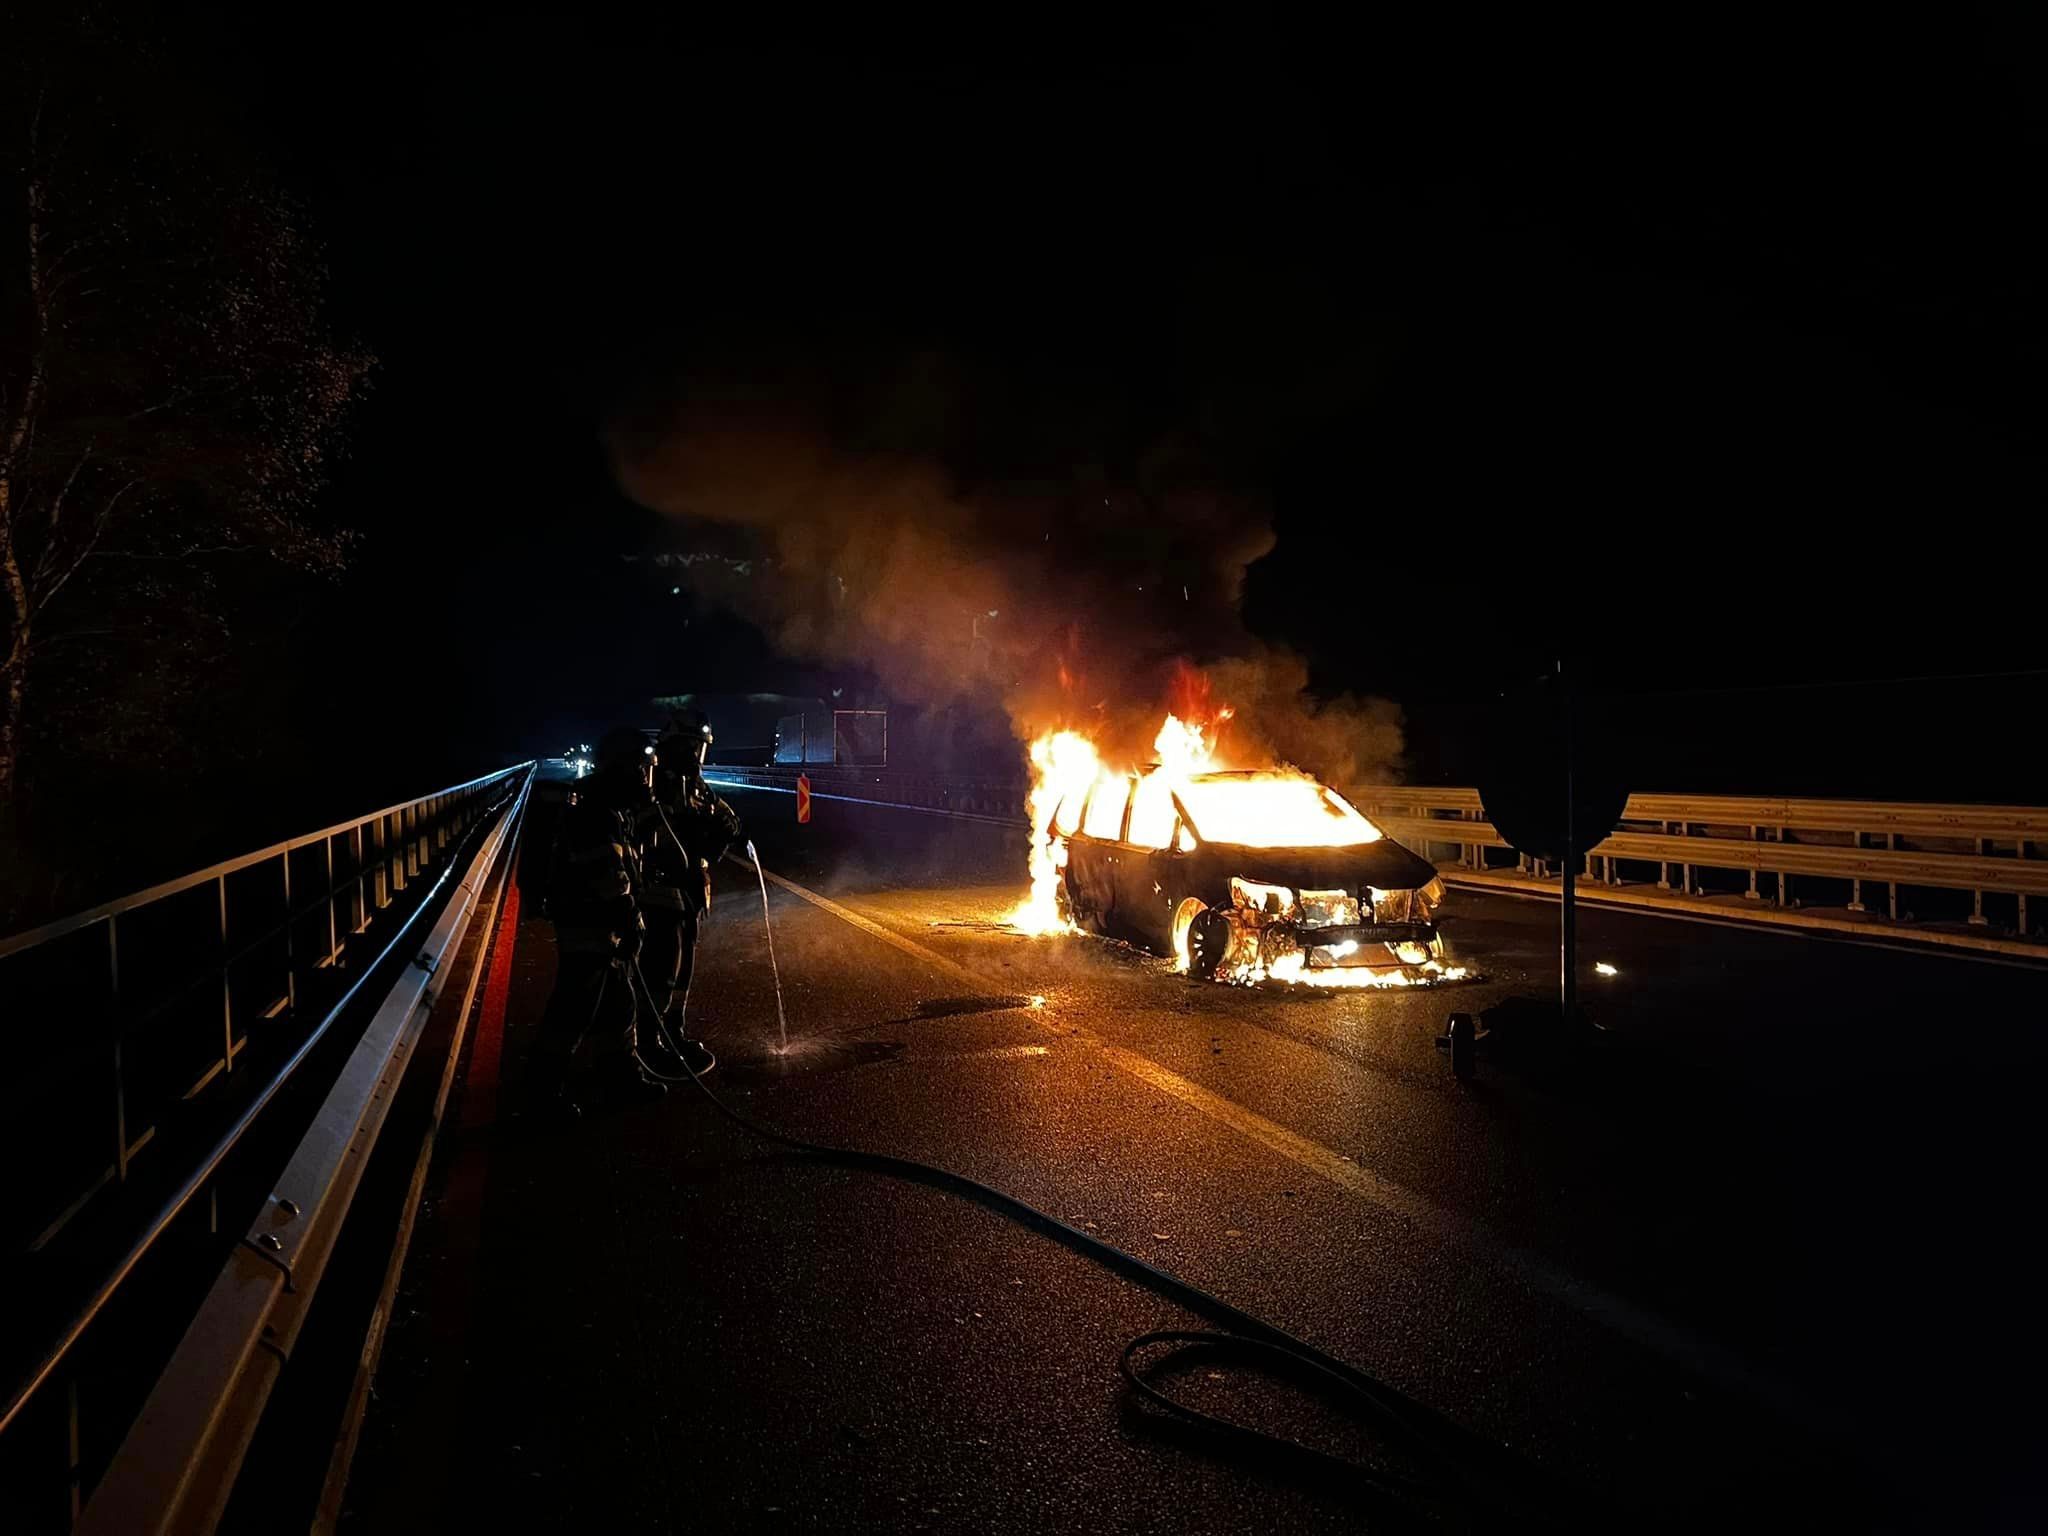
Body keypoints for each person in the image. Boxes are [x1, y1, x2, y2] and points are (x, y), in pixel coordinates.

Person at [529, 725, 667, 1115]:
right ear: (620, 768)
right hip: (588, 924)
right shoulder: (594, 812)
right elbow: (607, 874)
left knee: (618, 1004)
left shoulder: (607, 808)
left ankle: (620, 1077)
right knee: (574, 1009)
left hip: (602, 925)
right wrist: (628, 917)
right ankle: (543, 1093)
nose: (645, 778)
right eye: (640, 769)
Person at [638, 708, 743, 1076]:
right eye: (692, 747)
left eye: (700, 749)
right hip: (659, 894)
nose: (696, 757)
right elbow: (654, 832)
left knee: (682, 972)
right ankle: (647, 1044)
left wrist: (727, 827)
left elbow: (718, 826)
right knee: (661, 971)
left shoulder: (698, 788)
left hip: (690, 893)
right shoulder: (652, 784)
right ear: (675, 746)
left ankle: (673, 1034)